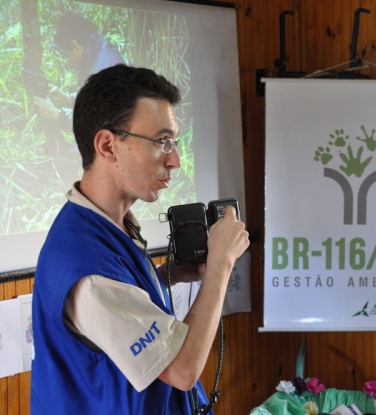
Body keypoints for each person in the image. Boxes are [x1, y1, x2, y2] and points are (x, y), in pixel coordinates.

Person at [31, 64, 249, 414]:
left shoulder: (103, 227)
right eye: (162, 142)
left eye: (174, 142)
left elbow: (123, 306)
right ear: (107, 145)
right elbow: (181, 371)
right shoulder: (87, 269)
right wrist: (220, 264)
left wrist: (169, 275)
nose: (175, 160)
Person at [33, 11, 126, 131]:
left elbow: (97, 124)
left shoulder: (102, 68)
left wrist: (57, 114)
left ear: (75, 46)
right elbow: (97, 101)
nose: (70, 63)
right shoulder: (99, 46)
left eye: (68, 56)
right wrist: (68, 99)